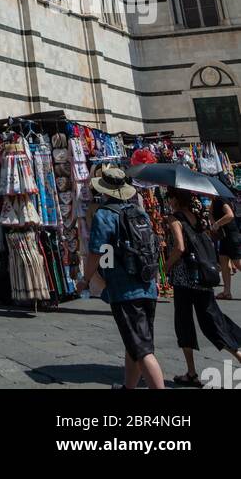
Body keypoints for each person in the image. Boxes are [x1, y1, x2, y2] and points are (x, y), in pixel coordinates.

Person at [79, 164, 164, 390]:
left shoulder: (104, 215)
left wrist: (85, 279)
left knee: (143, 349)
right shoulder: (140, 212)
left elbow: (97, 252)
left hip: (124, 290)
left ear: (104, 190)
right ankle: (129, 387)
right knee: (135, 342)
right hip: (147, 286)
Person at [166, 188, 241, 387]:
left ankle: (191, 372)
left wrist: (166, 267)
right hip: (203, 276)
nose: (169, 201)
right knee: (212, 320)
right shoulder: (198, 217)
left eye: (170, 197)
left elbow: (179, 248)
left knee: (184, 323)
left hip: (184, 279)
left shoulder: (174, 218)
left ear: (175, 199)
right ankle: (238, 354)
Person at [212, 176, 241, 300]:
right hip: (224, 236)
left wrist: (217, 223)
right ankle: (227, 292)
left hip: (231, 235)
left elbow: (230, 215)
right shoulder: (215, 201)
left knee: (238, 263)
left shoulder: (221, 200)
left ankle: (227, 291)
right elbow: (211, 215)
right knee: (223, 262)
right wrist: (212, 219)